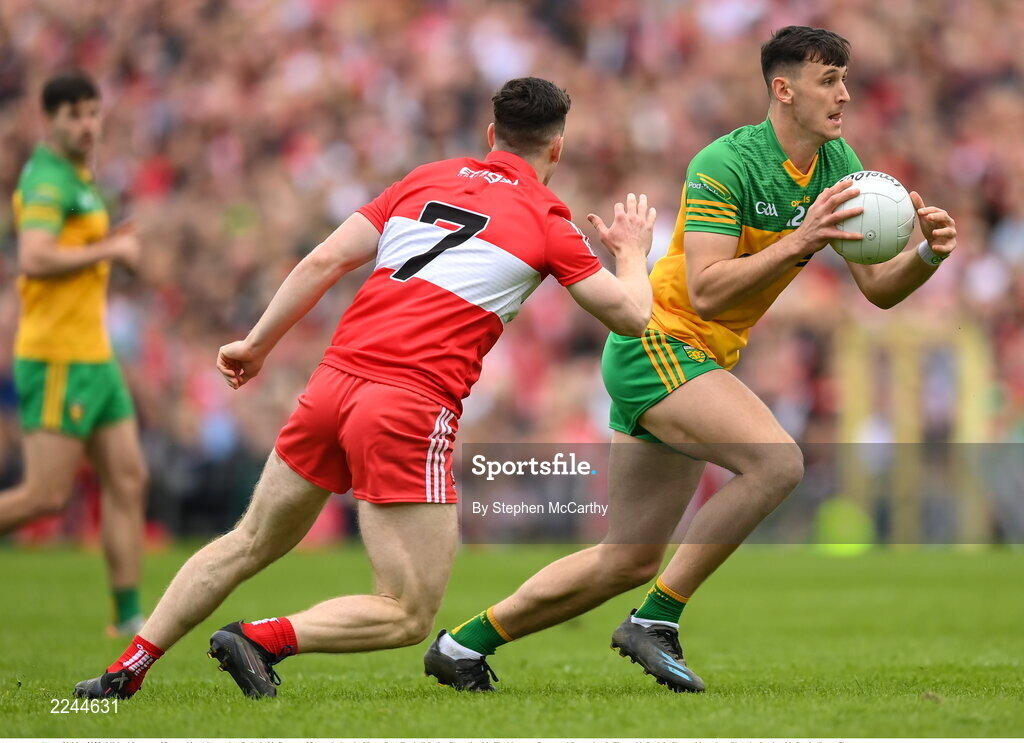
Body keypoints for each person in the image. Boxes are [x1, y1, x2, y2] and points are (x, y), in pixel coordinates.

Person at [73, 76, 657, 700]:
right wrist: (631, 252)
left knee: (246, 541)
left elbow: (325, 259)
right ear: (557, 150)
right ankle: (263, 638)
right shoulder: (549, 221)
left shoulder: (422, 179)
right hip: (408, 405)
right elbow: (631, 316)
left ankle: (124, 671)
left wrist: (257, 344)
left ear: (491, 136)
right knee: (408, 612)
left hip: (334, 382)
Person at [430, 26, 958, 693]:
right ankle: (657, 620)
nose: (845, 94)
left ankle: (461, 644)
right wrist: (801, 240)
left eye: (846, 80)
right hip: (659, 340)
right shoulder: (724, 163)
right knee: (777, 461)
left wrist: (927, 254)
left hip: (696, 356)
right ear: (783, 89)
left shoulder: (838, 162)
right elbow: (707, 289)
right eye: (830, 81)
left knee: (625, 558)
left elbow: (879, 290)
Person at [0, 71, 148, 637]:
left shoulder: (80, 178)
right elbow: (35, 258)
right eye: (75, 115)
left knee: (129, 478)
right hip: (58, 356)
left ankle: (129, 618)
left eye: (93, 112)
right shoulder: (48, 180)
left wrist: (109, 248)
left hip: (94, 354)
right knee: (45, 497)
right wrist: (112, 248)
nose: (88, 124)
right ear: (50, 120)